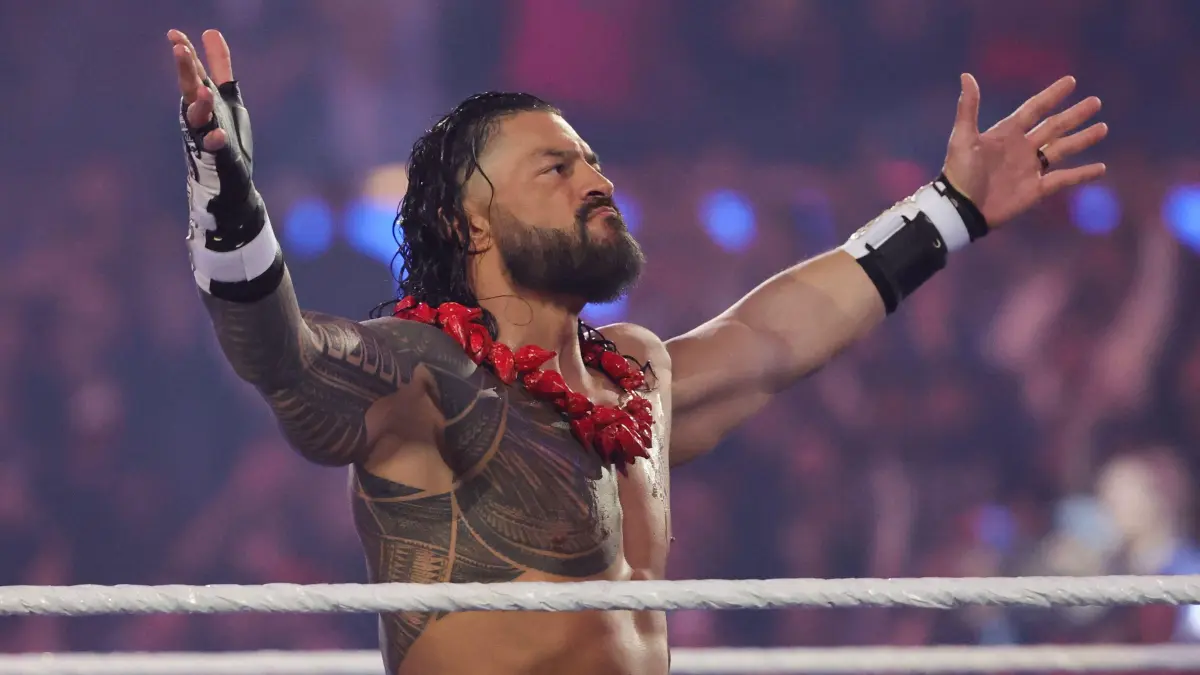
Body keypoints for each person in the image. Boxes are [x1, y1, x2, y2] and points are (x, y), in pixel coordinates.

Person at [169, 26, 1107, 675]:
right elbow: (281, 356)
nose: (596, 179)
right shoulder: (425, 377)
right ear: (475, 223)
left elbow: (778, 336)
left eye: (592, 159)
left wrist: (951, 208)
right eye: (557, 166)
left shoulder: (635, 373)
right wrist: (227, 197)